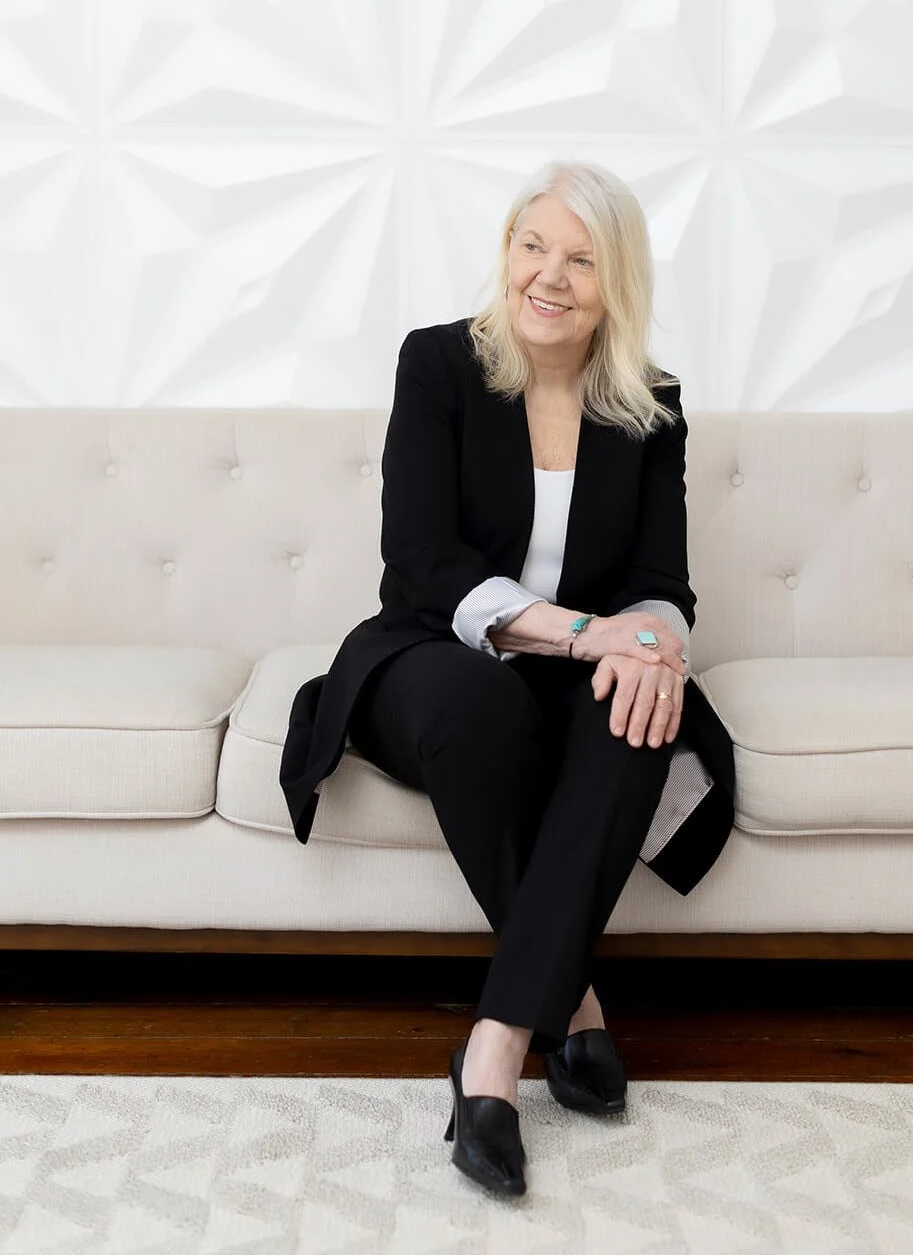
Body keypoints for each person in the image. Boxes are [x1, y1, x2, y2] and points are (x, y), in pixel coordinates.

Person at [279, 160, 735, 1198]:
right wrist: (588, 634)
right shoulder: (439, 364)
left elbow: (662, 583)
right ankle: (571, 1007)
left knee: (640, 708)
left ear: (614, 281)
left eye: (580, 258)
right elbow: (422, 562)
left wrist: (649, 646)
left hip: (579, 671)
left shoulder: (648, 404)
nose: (549, 275)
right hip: (428, 658)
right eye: (531, 245)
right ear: (505, 252)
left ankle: (491, 1046)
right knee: (483, 700)